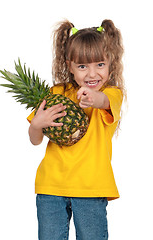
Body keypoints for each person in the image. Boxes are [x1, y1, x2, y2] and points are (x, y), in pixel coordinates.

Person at [27, 19, 126, 240]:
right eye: (82, 66)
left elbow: (102, 101)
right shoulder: (56, 93)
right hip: (51, 186)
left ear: (111, 62)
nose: (92, 74)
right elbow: (35, 140)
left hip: (91, 188)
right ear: (70, 66)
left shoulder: (112, 94)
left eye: (100, 64)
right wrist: (36, 125)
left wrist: (92, 97)